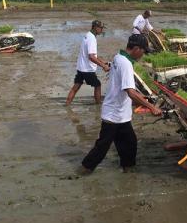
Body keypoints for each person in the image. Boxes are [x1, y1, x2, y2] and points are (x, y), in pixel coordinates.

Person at [79, 34, 162, 174]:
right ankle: (83, 170)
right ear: (136, 48)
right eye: (143, 51)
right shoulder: (126, 64)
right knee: (102, 148)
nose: (143, 55)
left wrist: (141, 98)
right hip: (113, 115)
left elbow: (124, 87)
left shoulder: (118, 57)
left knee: (130, 144)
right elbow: (130, 91)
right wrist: (151, 107)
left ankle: (128, 170)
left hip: (120, 115)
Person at [66, 20, 110, 105]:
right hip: (87, 69)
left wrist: (103, 61)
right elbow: (91, 57)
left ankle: (67, 104)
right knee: (97, 85)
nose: (102, 30)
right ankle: (98, 105)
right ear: (95, 27)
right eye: (101, 28)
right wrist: (103, 66)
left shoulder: (87, 35)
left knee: (76, 86)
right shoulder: (92, 39)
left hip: (81, 67)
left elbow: (92, 55)